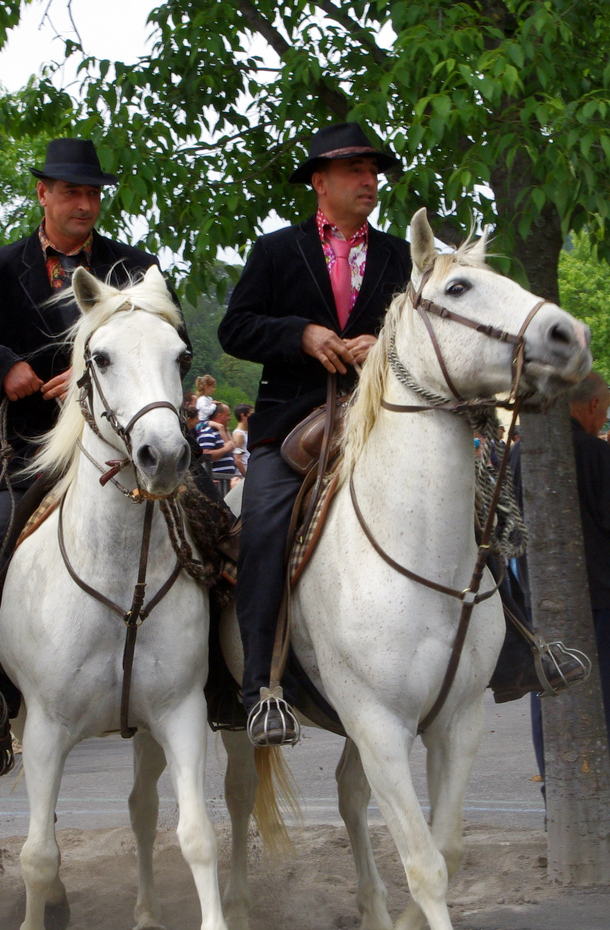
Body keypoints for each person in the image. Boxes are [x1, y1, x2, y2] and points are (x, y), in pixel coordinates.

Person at [0, 138, 185, 738]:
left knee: (210, 533)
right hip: (31, 444)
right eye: (71, 191)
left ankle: (225, 682)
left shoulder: (136, 266)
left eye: (93, 193)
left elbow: (173, 346)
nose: (84, 203)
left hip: (124, 444)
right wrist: (3, 367)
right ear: (43, 194)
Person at [218, 120, 412, 746]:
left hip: (385, 419)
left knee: (476, 492)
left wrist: (382, 344)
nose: (369, 180)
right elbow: (235, 329)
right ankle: (259, 689)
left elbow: (429, 335)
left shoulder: (402, 258)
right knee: (266, 524)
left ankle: (521, 645)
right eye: (356, 170)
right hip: (292, 425)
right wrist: (300, 333)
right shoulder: (276, 250)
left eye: (373, 171)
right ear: (319, 182)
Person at [531, 372, 610, 834]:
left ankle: (555, 802)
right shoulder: (597, 453)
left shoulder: (524, 453)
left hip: (540, 602)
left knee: (550, 695)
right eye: (603, 409)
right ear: (594, 405)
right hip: (599, 594)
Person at [232, 404, 252, 478]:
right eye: (251, 414)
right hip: (242, 475)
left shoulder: (247, 433)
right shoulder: (239, 434)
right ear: (243, 415)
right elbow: (237, 459)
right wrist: (247, 477)